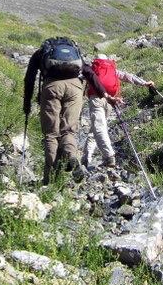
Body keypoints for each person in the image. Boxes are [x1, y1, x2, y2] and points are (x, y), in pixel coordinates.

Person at [23, 38, 115, 185]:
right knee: (69, 131)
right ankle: (72, 156)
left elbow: (29, 78)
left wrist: (27, 104)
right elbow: (89, 72)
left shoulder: (41, 53)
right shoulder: (74, 54)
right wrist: (104, 93)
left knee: (51, 134)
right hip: (75, 89)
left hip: (52, 87)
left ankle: (49, 179)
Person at [82, 54, 154, 169]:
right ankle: (86, 158)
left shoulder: (93, 68)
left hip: (96, 98)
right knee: (97, 127)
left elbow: (81, 78)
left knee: (98, 127)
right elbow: (127, 76)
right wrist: (144, 83)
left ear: (96, 60)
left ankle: (108, 156)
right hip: (111, 100)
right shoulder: (112, 69)